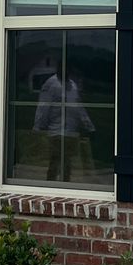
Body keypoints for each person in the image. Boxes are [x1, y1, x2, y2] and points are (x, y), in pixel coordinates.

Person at [32, 54, 95, 183]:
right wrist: (37, 127)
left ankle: (65, 185)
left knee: (67, 163)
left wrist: (89, 126)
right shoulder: (51, 84)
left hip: (71, 132)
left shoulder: (72, 85)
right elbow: (43, 107)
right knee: (55, 161)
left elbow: (79, 107)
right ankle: (51, 186)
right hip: (56, 132)